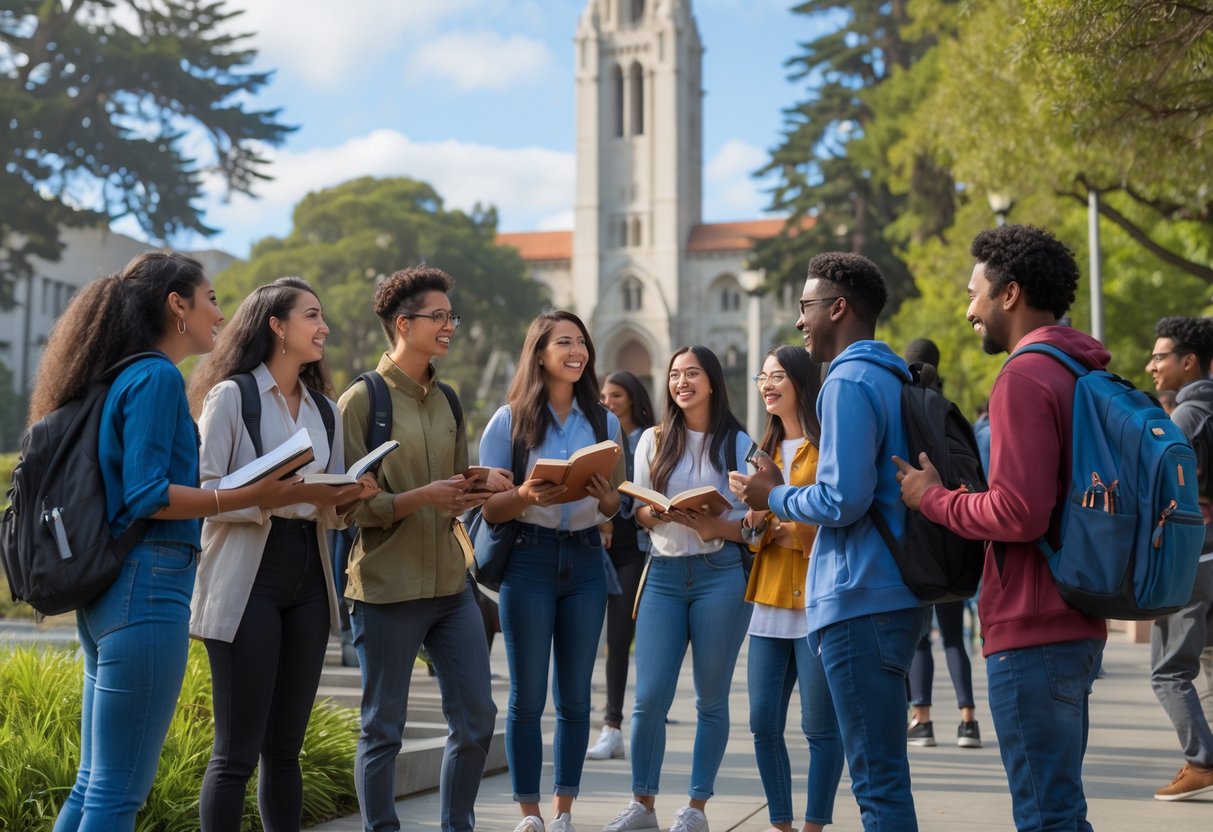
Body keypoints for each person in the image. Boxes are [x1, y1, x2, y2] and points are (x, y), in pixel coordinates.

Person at [41, 252, 321, 832]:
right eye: (211, 299)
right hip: (149, 583)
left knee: (95, 783)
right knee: (118, 794)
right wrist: (250, 497)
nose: (220, 314)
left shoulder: (120, 374)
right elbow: (149, 494)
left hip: (113, 590)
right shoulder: (156, 376)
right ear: (177, 306)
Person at [895, 224, 1108, 830]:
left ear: (1008, 294)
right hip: (1074, 616)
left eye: (974, 294)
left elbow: (1018, 513)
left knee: (1046, 815)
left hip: (1033, 626)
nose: (969, 311)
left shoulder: (1023, 377)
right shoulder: (1076, 367)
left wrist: (932, 498)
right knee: (1062, 809)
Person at [731, 252, 922, 831]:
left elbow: (842, 499)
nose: (799, 323)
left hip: (858, 595)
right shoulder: (893, 374)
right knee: (885, 775)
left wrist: (775, 495)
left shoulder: (845, 380)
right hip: (894, 590)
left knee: (876, 782)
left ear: (838, 308)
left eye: (806, 307)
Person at [188, 277, 372, 831]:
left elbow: (331, 511)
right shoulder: (232, 395)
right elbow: (203, 491)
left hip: (309, 575)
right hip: (249, 574)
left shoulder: (324, 409)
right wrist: (277, 495)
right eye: (312, 316)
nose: (324, 328)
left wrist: (349, 495)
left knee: (287, 748)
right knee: (236, 751)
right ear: (277, 326)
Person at [340, 266, 505, 832]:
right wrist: (418, 498)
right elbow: (347, 506)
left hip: (451, 586)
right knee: (382, 728)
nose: (449, 327)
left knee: (477, 719)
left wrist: (479, 484)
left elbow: (453, 485)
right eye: (439, 317)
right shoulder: (361, 400)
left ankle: (457, 826)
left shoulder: (449, 400)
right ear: (403, 324)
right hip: (387, 588)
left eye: (450, 317)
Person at [479, 310, 625, 832]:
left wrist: (609, 501)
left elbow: (615, 508)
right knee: (526, 696)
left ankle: (563, 811)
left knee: (575, 696)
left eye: (581, 342)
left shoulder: (605, 422)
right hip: (529, 559)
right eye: (564, 342)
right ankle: (529, 813)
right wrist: (520, 494)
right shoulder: (509, 420)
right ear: (539, 352)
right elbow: (488, 511)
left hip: (586, 558)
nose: (576, 351)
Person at [601, 345, 754, 832]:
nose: (681, 381)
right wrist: (657, 511)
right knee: (648, 698)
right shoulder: (652, 439)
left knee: (711, 699)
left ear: (712, 381)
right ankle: (642, 805)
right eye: (674, 374)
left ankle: (695, 809)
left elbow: (756, 519)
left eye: (692, 373)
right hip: (663, 575)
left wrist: (717, 521)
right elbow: (639, 509)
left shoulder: (737, 441)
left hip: (720, 575)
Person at [741, 346, 843, 832]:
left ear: (802, 381)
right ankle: (781, 823)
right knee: (763, 724)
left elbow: (837, 519)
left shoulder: (826, 448)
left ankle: (813, 825)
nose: (767, 384)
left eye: (777, 375)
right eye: (763, 376)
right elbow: (752, 539)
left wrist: (788, 528)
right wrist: (756, 525)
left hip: (818, 605)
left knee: (820, 728)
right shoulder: (759, 454)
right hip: (768, 604)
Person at [1143, 316, 1213, 800]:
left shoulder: (1188, 416)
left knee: (1169, 669)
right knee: (1206, 659)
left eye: (1160, 356)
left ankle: (1201, 760)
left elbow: (1164, 485)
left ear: (1188, 362)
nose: (1151, 366)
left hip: (1196, 555)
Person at [900, 338, 982, 750]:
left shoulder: (904, 409)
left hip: (917, 541)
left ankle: (924, 719)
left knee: (920, 639)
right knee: (954, 637)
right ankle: (968, 719)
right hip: (954, 533)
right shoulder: (948, 410)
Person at [589, 370, 656, 761]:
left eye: (616, 395)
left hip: (635, 548)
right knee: (588, 640)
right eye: (603, 395)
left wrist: (617, 514)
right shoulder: (596, 436)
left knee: (619, 639)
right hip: (596, 547)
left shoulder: (650, 438)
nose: (608, 401)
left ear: (632, 397)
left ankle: (612, 724)